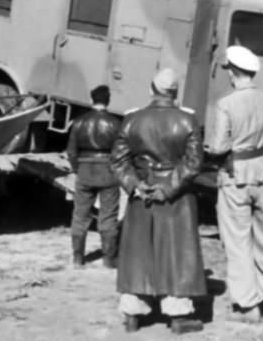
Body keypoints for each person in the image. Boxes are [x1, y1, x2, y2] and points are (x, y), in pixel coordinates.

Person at [111, 68, 207, 335]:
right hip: (176, 195)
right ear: (174, 92)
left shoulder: (131, 120)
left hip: (142, 192)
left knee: (138, 252)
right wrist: (168, 188)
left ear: (152, 89)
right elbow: (194, 163)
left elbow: (118, 161)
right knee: (177, 253)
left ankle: (132, 311)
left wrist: (135, 185)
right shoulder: (188, 121)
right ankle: (177, 314)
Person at [205, 46, 263, 321]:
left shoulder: (226, 104)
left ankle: (248, 305)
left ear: (233, 72)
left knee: (238, 241)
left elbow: (218, 147)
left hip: (236, 176)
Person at [66, 84, 121, 269]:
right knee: (108, 217)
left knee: (80, 216)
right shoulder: (115, 123)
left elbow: (72, 152)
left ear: (91, 100)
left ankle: (78, 259)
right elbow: (120, 153)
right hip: (108, 173)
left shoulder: (79, 122)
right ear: (108, 101)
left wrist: (76, 169)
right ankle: (109, 259)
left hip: (85, 171)